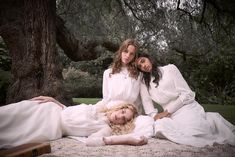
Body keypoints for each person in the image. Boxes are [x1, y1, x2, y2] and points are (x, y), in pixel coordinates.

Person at [136, 53, 235, 147]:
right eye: (140, 66)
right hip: (169, 116)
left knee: (197, 132)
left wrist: (167, 111)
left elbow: (187, 94)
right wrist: (155, 116)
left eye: (143, 61)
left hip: (185, 107)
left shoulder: (170, 69)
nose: (143, 66)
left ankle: (212, 121)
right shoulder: (145, 83)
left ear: (149, 58)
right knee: (160, 126)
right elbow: (147, 105)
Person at [0, 96, 148, 148]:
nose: (120, 117)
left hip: (51, 127)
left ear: (122, 124)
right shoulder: (98, 108)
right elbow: (72, 111)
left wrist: (127, 139)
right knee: (10, 112)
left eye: (124, 119)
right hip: (49, 109)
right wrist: (54, 101)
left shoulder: (105, 129)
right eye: (122, 112)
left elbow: (91, 142)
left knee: (11, 134)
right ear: (119, 108)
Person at [96, 39, 142, 113]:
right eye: (125, 51)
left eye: (131, 54)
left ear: (134, 56)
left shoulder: (138, 75)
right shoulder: (108, 73)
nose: (127, 56)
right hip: (111, 110)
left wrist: (136, 114)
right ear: (120, 51)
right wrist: (96, 109)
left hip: (129, 112)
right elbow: (106, 99)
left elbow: (138, 102)